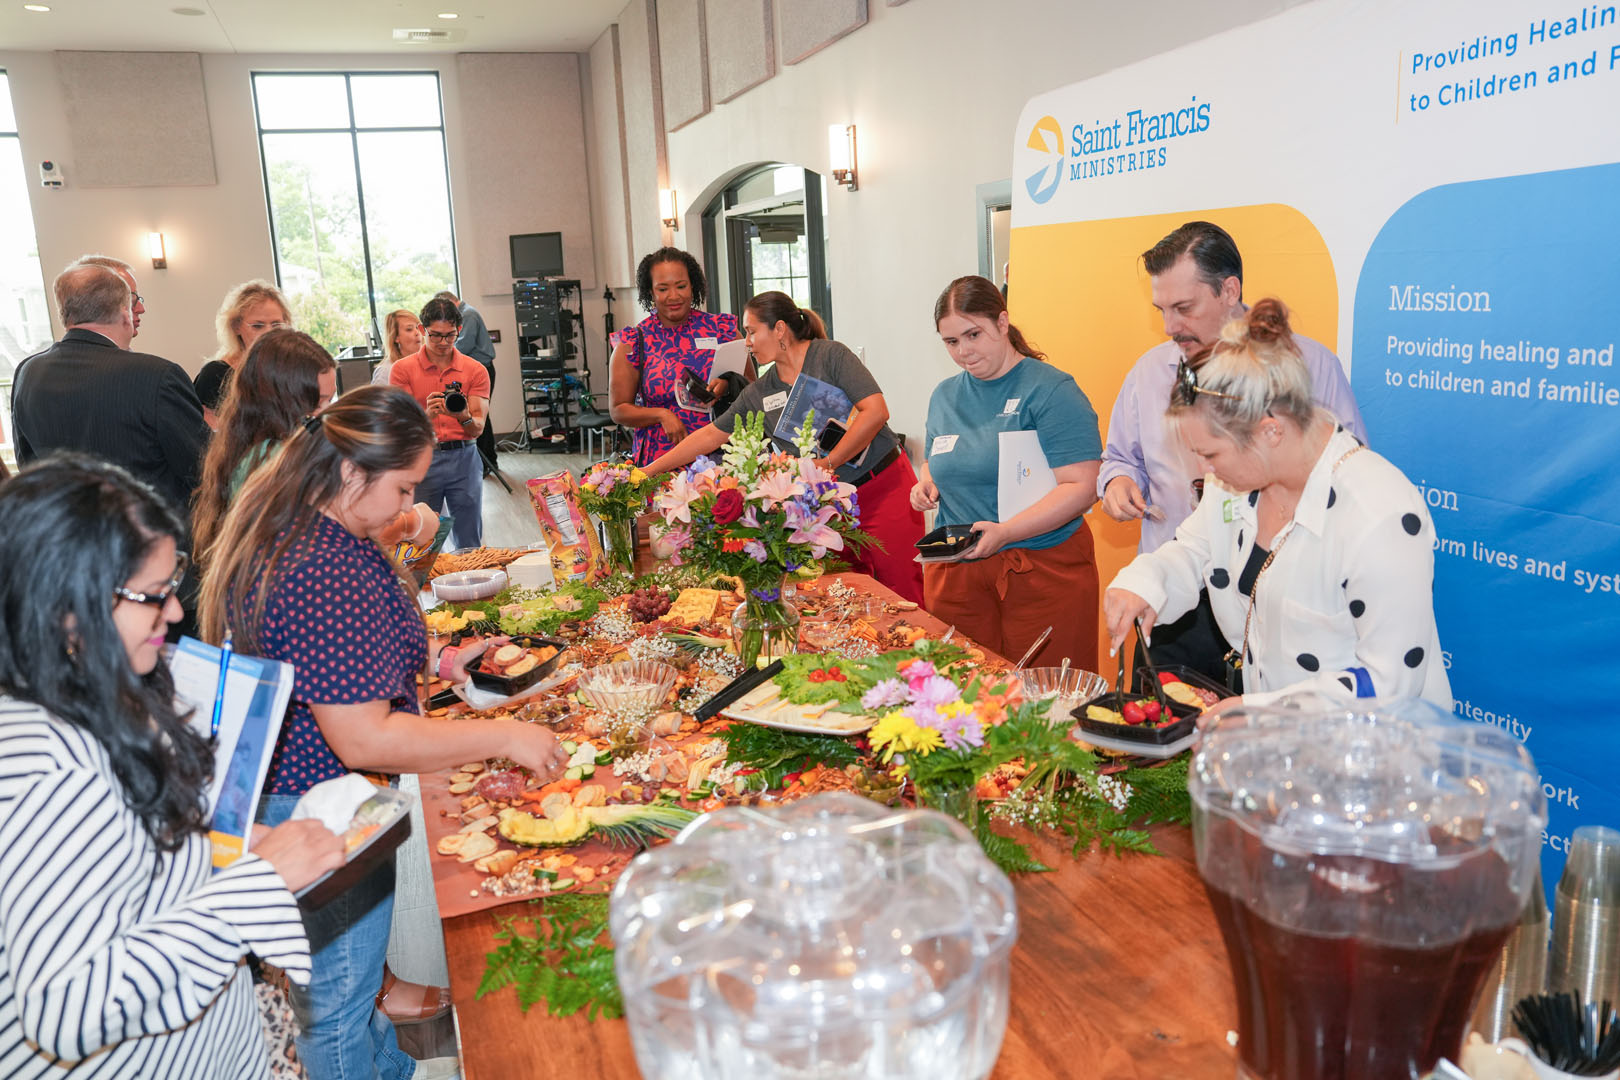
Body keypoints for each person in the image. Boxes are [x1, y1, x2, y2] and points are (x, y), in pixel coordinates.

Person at [199, 386, 568, 1080]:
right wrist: (504, 734)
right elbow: (364, 738)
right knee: (338, 1002)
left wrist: (438, 657)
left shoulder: (319, 531)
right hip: (316, 804)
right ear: (349, 474)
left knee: (353, 988)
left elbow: (348, 651)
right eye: (400, 489)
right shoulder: (320, 569)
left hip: (310, 794)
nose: (407, 508)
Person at [0, 455, 345, 1079]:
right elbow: (66, 1006)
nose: (177, 612)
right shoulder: (57, 770)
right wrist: (260, 881)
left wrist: (228, 849)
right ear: (68, 606)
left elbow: (118, 873)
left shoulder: (85, 691)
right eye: (153, 595)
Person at [1104, 300, 1450, 708]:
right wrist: (1145, 582)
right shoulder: (1233, 483)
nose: (1204, 468)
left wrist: (1262, 713)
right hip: (1277, 749)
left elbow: (1388, 682)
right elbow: (1196, 549)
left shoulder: (1379, 513)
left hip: (1365, 757)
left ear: (1270, 431)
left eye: (1212, 454)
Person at [1098, 221, 1367, 683]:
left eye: (1183, 307)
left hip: (1282, 602)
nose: (1170, 326)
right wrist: (1119, 483)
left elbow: (1349, 474)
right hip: (1179, 594)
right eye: (1161, 309)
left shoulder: (1309, 367)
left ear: (1229, 290)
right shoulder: (1148, 372)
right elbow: (1124, 461)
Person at [645, 290, 925, 604]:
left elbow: (876, 411)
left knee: (903, 592)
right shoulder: (761, 391)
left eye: (751, 332)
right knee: (846, 597)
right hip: (829, 509)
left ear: (779, 329)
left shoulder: (830, 356)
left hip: (884, 488)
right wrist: (649, 470)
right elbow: (711, 435)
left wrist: (829, 462)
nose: (747, 342)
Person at [912, 276, 1103, 668]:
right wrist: (927, 481)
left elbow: (1083, 486)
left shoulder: (1050, 390)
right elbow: (937, 457)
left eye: (973, 334)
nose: (964, 351)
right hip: (958, 571)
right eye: (951, 342)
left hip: (1040, 569)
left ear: (1002, 323)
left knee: (1045, 698)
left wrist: (1006, 533)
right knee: (964, 692)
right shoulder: (945, 395)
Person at [11, 261, 209, 517]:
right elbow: (205, 468)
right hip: (154, 540)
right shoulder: (158, 376)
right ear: (123, 310)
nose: (141, 308)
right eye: (134, 300)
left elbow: (28, 468)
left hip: (70, 540)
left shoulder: (28, 372)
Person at [192, 328, 337, 560]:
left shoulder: (257, 445)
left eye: (331, 400)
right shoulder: (271, 460)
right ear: (284, 403)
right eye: (318, 404)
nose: (327, 413)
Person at [608, 247, 744, 467]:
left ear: (693, 286)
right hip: (660, 461)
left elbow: (751, 389)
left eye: (681, 286)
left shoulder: (722, 331)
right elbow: (618, 409)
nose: (674, 296)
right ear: (650, 292)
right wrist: (661, 415)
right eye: (662, 289)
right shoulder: (633, 342)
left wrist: (727, 386)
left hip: (722, 457)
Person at [389, 296, 491, 550]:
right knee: (422, 542)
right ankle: (426, 589)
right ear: (423, 330)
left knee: (469, 540)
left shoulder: (475, 370)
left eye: (450, 335)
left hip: (464, 457)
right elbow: (399, 429)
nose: (443, 343)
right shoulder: (402, 370)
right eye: (435, 335)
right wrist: (426, 417)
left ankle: (471, 586)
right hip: (423, 458)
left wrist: (463, 415)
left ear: (458, 331)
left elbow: (477, 428)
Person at [195, 280, 293, 429]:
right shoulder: (215, 375)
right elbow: (207, 439)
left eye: (276, 324)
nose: (268, 333)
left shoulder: (293, 371)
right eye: (258, 326)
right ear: (236, 327)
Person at [436, 289, 500, 473]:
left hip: (481, 370)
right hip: (474, 370)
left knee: (479, 415)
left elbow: (463, 345)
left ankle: (487, 463)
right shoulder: (465, 314)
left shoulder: (468, 315)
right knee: (478, 415)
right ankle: (485, 462)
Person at [372, 308, 424, 387]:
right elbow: (376, 399)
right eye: (409, 329)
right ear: (396, 337)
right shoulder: (385, 371)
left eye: (418, 327)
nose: (417, 332)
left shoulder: (428, 363)